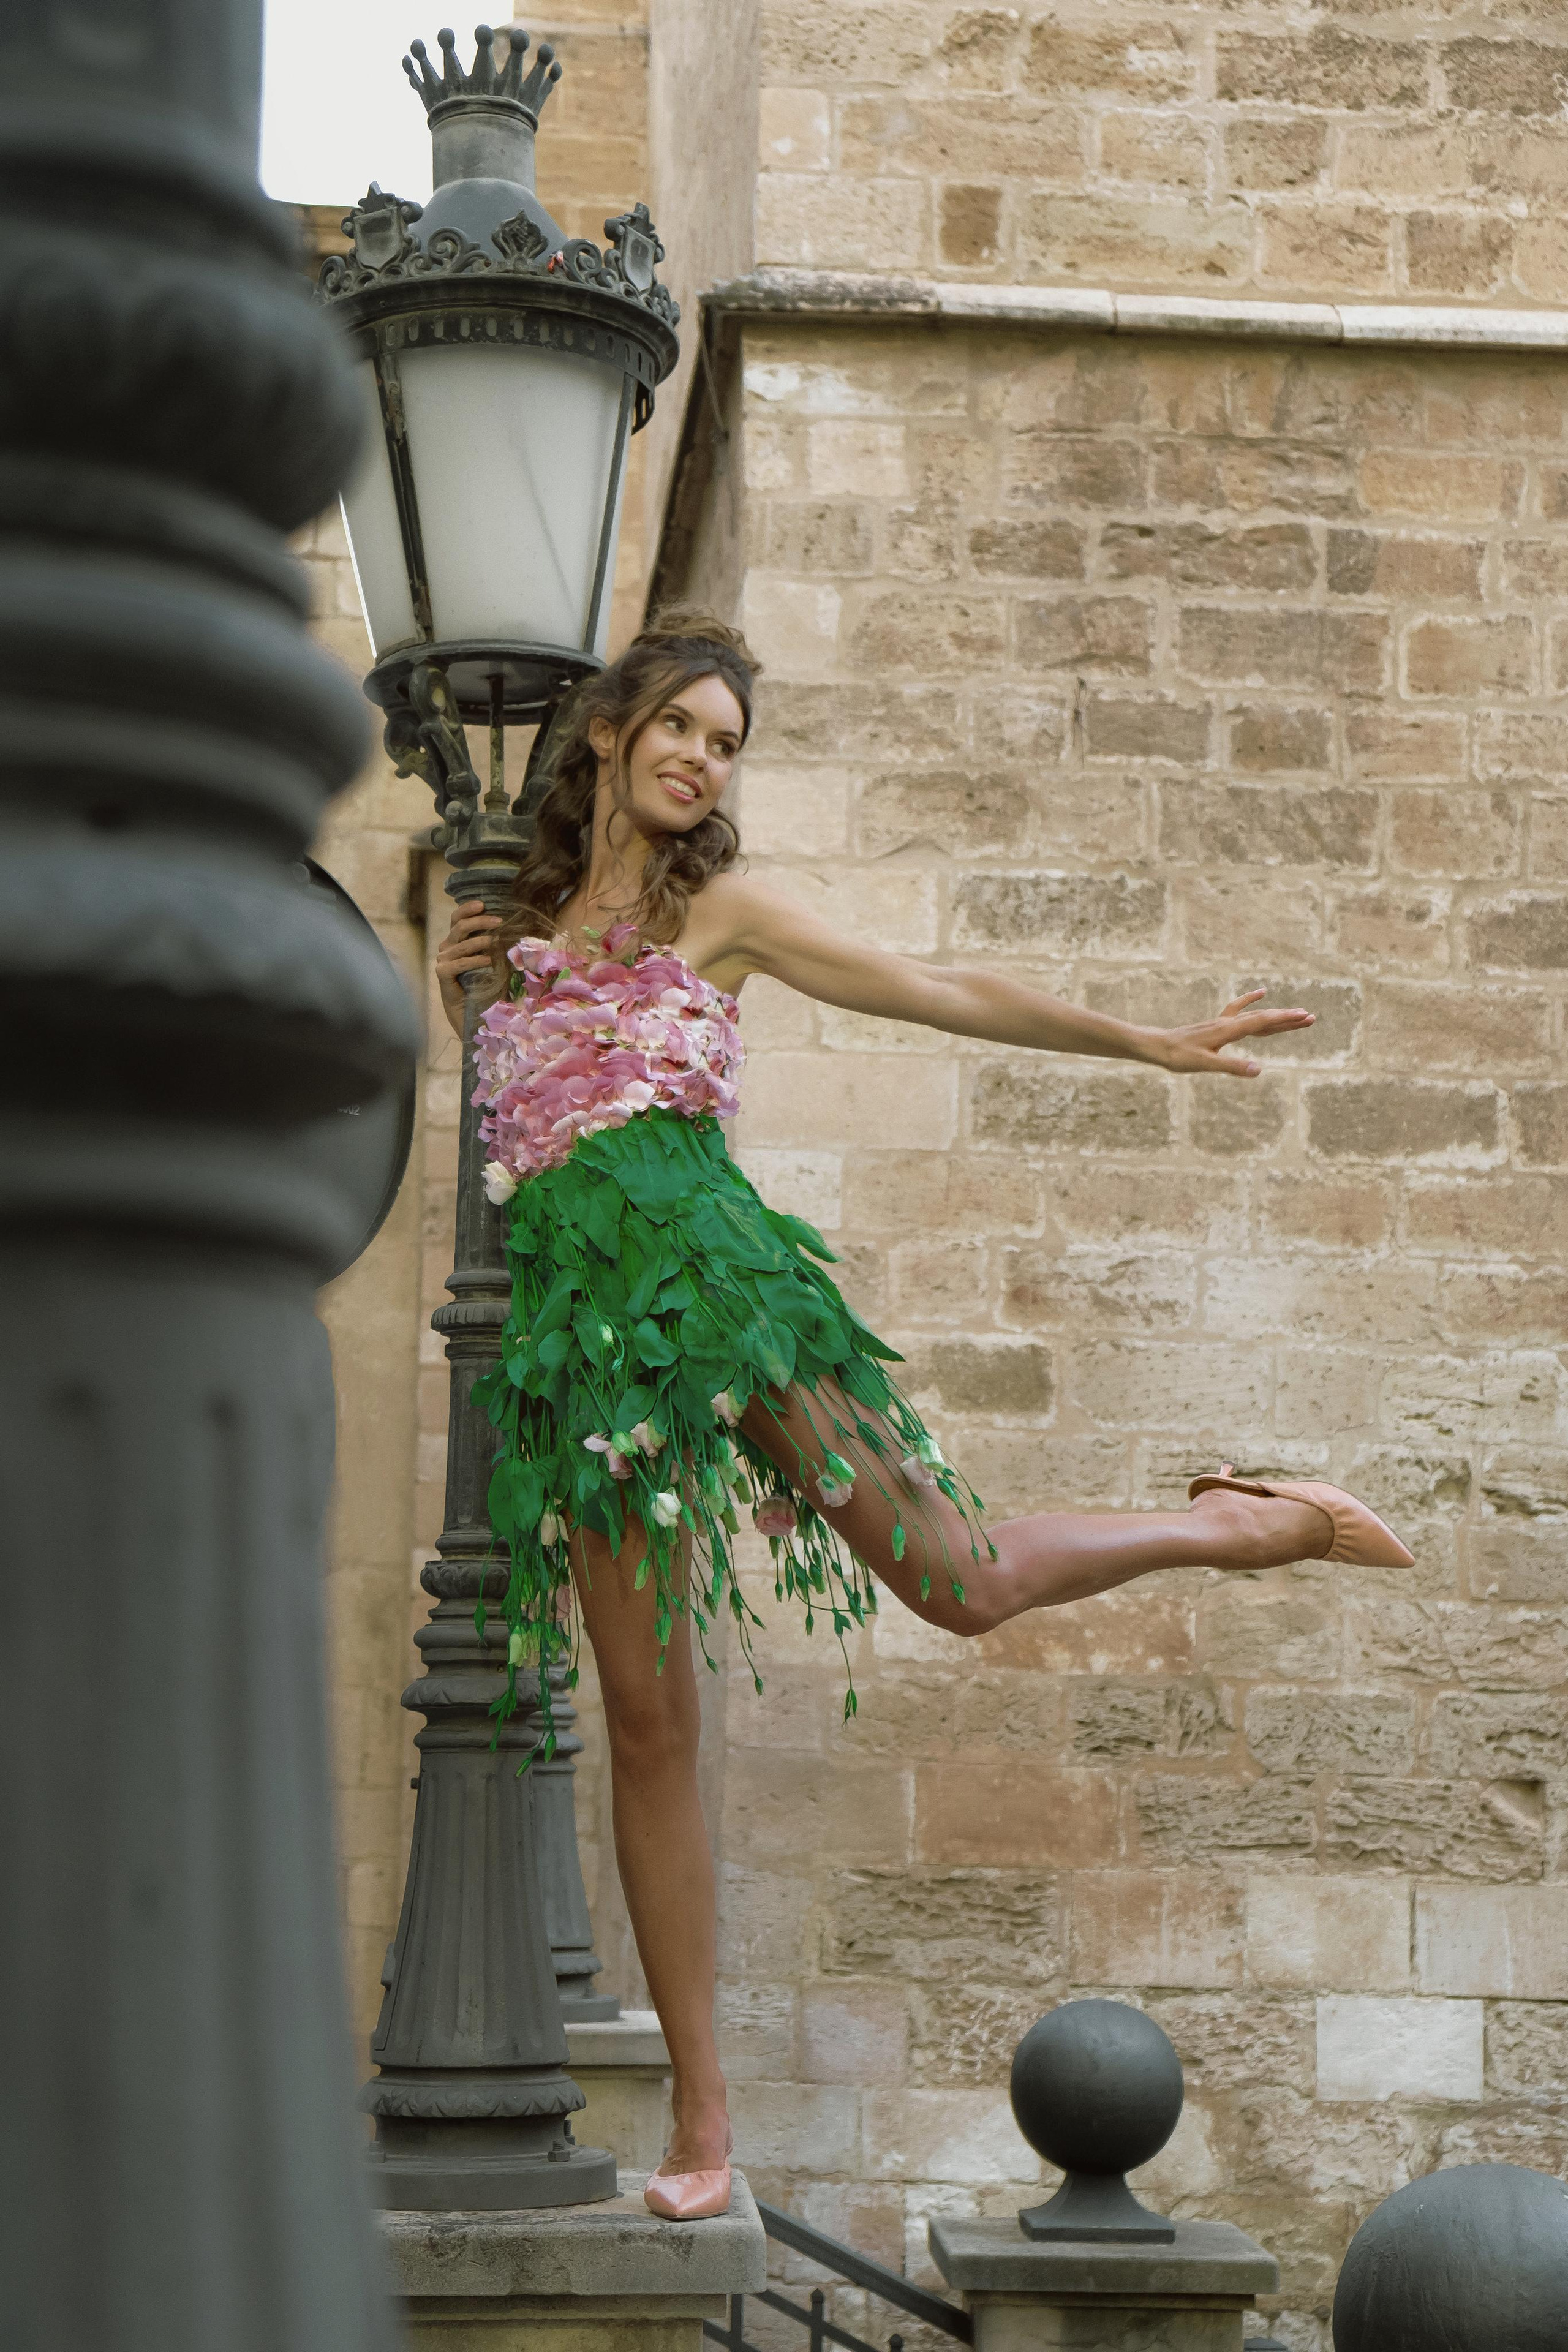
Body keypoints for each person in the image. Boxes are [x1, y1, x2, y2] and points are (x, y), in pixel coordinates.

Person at [435, 606, 1412, 2222]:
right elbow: (514, 1151)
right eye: (678, 724)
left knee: (956, 1582)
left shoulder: (724, 913)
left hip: (730, 1312)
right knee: (649, 1722)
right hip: (588, 1367)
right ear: (608, 733)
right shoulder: (505, 949)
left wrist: (1146, 1043)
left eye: (726, 741)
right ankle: (702, 2127)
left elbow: (934, 985)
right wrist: (464, 998)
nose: (699, 756)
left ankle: (1239, 1522)